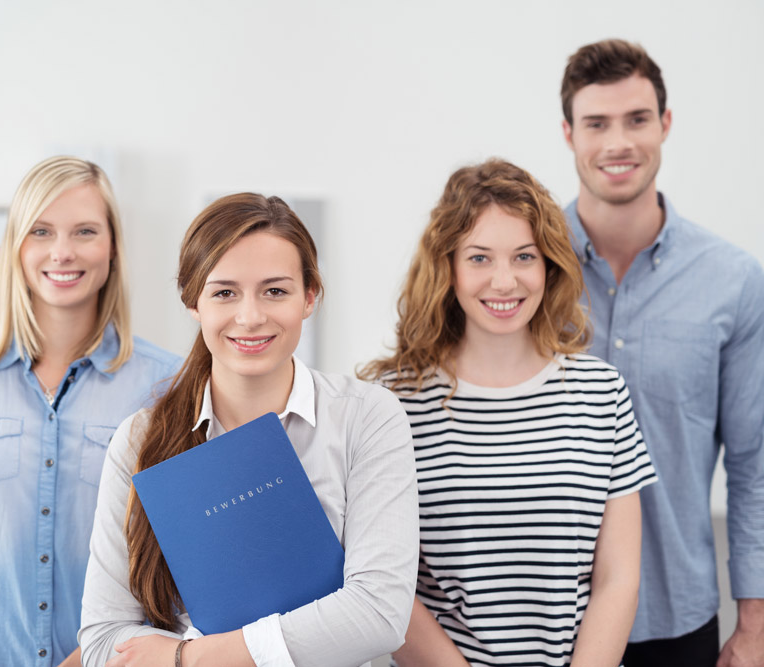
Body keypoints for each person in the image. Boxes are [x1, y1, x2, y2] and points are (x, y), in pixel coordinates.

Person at [78, 193, 418, 667]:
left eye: (275, 291)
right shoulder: (140, 440)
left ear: (310, 296)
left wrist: (189, 657)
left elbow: (379, 612)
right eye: (224, 292)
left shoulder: (367, 417)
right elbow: (101, 642)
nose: (251, 316)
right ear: (193, 303)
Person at [363, 159, 658, 666]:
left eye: (524, 256)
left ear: (549, 265)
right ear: (447, 266)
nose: (504, 281)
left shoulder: (601, 392)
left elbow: (618, 578)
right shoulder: (391, 404)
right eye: (479, 258)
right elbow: (385, 587)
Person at [0, 156, 179, 666]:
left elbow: (172, 564)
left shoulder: (166, 385)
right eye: (41, 231)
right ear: (14, 247)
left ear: (112, 248)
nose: (63, 252)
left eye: (85, 231)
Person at [559, 39, 764, 667]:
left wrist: (754, 623)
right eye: (597, 123)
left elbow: (755, 464)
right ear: (568, 134)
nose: (618, 142)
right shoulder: (521, 276)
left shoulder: (732, 281)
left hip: (677, 617)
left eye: (637, 119)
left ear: (665, 125)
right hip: (543, 622)